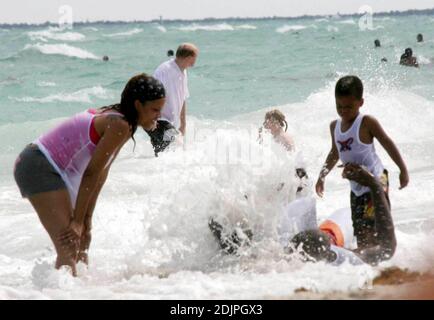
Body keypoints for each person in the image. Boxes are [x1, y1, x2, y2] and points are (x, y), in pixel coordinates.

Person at [13, 74, 165, 276]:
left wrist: (86, 221)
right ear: (138, 105)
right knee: (68, 248)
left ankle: (85, 292)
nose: (158, 115)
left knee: (82, 242)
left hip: (50, 168)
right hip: (39, 166)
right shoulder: (119, 125)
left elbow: (101, 173)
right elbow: (91, 174)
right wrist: (77, 221)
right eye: (155, 109)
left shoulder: (122, 122)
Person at [315, 75, 409, 250]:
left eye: (348, 106)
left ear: (361, 102)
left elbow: (387, 143)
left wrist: (402, 169)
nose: (343, 110)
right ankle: (365, 265)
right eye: (339, 106)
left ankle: (382, 260)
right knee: (360, 228)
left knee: (374, 227)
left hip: (376, 181)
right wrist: (322, 176)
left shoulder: (366, 122)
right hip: (356, 186)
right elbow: (334, 153)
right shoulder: (334, 127)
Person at [291, 164, 396, 266]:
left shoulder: (287, 260)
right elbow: (387, 249)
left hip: (324, 234)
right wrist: (374, 185)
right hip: (339, 229)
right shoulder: (347, 261)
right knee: (368, 239)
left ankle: (298, 184)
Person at [148, 43, 199, 156]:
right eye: (194, 58)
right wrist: (153, 120)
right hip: (159, 121)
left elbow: (183, 97)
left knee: (163, 155)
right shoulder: (165, 70)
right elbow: (151, 95)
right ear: (188, 57)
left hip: (170, 123)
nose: (194, 62)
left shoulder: (183, 71)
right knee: (177, 147)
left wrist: (183, 123)